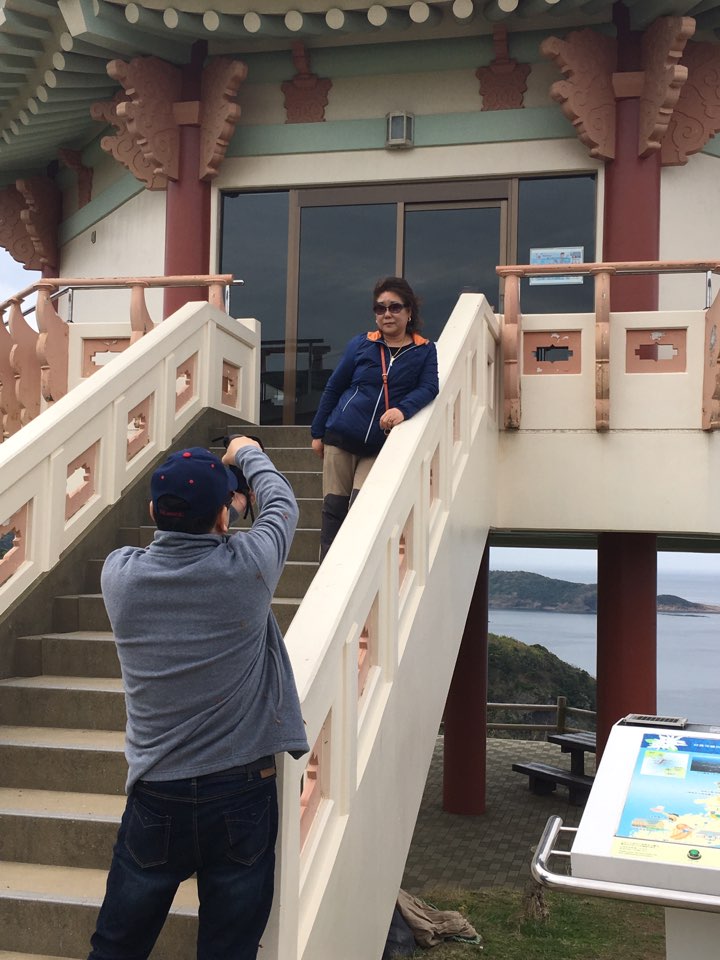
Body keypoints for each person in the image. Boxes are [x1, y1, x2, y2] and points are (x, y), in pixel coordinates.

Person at [87, 438, 309, 960]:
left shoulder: (119, 576)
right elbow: (282, 502)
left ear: (152, 511)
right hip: (241, 791)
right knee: (229, 951)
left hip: (156, 792)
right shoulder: (249, 567)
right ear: (224, 516)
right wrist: (246, 452)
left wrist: (223, 506)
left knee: (115, 947)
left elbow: (197, 535)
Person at [310, 276, 439, 560]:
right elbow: (334, 387)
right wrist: (317, 433)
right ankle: (327, 569)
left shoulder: (424, 350)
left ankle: (353, 568)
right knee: (333, 509)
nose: (387, 314)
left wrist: (402, 410)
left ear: (409, 311)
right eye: (380, 308)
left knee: (362, 509)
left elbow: (430, 387)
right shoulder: (361, 344)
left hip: (378, 446)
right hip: (341, 438)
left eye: (395, 307)